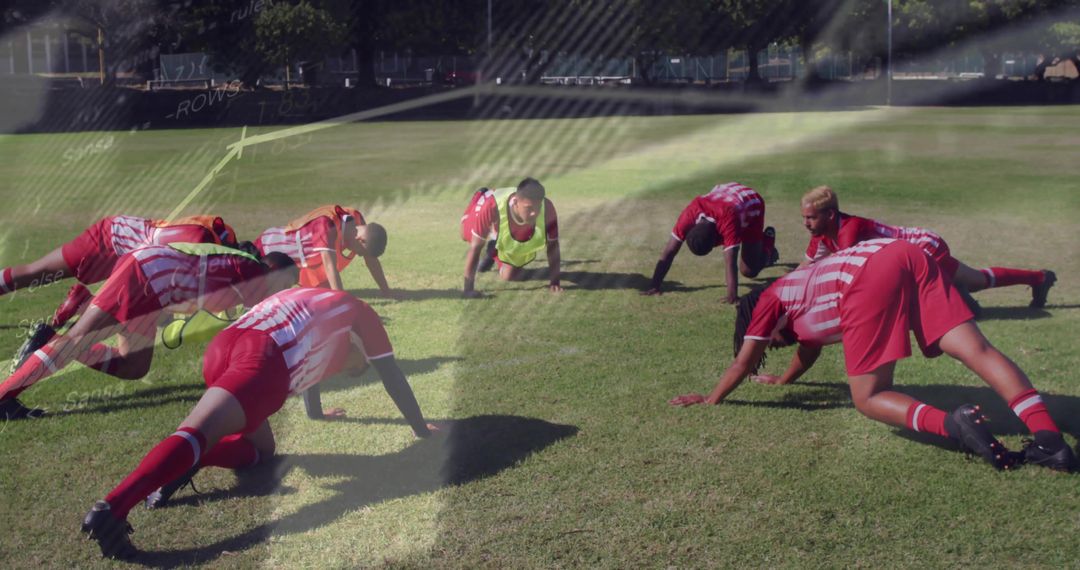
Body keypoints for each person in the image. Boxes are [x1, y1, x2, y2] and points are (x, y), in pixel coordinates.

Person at [81, 287, 438, 560]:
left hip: (226, 346)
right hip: (264, 363)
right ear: (357, 346)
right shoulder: (363, 316)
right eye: (358, 368)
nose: (353, 372)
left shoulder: (320, 302)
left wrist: (317, 414)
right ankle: (113, 507)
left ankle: (192, 462)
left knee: (262, 451)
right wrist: (421, 429)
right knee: (196, 432)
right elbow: (391, 374)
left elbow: (310, 351)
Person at [670, 238, 1077, 473]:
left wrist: (710, 399)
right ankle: (1051, 442)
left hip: (870, 276)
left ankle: (956, 426)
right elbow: (808, 349)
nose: (770, 346)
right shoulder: (801, 297)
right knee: (978, 351)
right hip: (906, 254)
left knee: (868, 397)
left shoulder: (769, 300)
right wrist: (782, 380)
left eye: (766, 341)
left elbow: (743, 361)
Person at [0, 243, 298, 420]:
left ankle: (53, 339)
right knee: (77, 340)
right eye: (287, 282)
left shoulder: (249, 271)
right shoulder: (256, 274)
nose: (284, 290)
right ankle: (4, 398)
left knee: (134, 366)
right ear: (274, 270)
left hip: (154, 285)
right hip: (147, 275)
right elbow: (255, 326)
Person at [799, 186, 1055, 310]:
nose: (806, 223)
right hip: (909, 254)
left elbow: (846, 277)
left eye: (811, 217)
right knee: (976, 279)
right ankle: (1040, 278)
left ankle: (959, 300)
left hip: (922, 246)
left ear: (830, 215)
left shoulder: (849, 231)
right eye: (805, 217)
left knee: (940, 292)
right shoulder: (821, 234)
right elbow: (805, 268)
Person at [0, 214, 240, 337]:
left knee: (134, 362)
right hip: (110, 241)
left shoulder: (215, 239)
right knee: (37, 272)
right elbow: (152, 257)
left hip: (123, 248)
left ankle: (83, 304)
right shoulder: (201, 241)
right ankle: (82, 307)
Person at [643, 182, 778, 303]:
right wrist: (654, 286)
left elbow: (730, 262)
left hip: (751, 202)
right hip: (729, 196)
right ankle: (759, 246)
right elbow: (669, 251)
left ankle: (767, 247)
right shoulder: (690, 214)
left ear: (716, 239)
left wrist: (732, 295)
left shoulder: (728, 219)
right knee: (745, 256)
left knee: (749, 271)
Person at [255, 205, 393, 296]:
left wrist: (386, 291)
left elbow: (372, 261)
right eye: (360, 252)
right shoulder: (327, 225)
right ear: (360, 239)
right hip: (269, 248)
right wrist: (344, 304)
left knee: (324, 295)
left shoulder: (359, 221)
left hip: (297, 262)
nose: (357, 255)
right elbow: (329, 266)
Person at [460, 178, 561, 297]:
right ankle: (478, 196)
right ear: (516, 202)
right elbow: (475, 248)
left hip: (507, 227)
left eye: (537, 207)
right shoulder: (492, 205)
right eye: (528, 208)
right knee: (467, 235)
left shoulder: (547, 208)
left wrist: (555, 281)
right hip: (486, 204)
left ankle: (494, 248)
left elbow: (553, 246)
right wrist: (468, 290)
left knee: (510, 276)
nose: (534, 213)